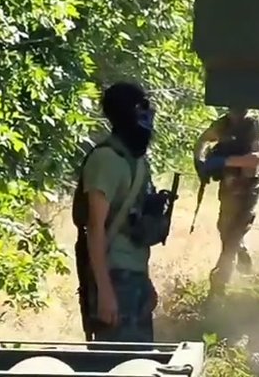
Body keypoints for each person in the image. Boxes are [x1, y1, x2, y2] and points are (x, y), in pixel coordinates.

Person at [72, 81, 176, 342]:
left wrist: (145, 283)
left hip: (134, 277)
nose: (148, 114)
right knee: (113, 360)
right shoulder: (106, 160)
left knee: (139, 360)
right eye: (142, 107)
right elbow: (94, 228)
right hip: (113, 277)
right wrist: (105, 292)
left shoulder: (136, 160)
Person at [193, 106, 259, 297]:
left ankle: (218, 286)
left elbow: (256, 159)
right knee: (226, 230)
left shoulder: (255, 125)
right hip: (228, 189)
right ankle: (249, 275)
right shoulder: (223, 124)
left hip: (248, 189)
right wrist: (199, 163)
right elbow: (202, 141)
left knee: (233, 236)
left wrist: (223, 161)